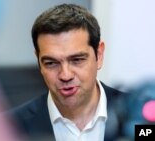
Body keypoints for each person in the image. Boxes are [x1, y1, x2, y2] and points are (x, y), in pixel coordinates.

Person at [7, 3, 129, 141]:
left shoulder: (140, 118)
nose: (65, 75)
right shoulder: (8, 129)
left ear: (99, 55)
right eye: (51, 63)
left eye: (77, 60)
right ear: (39, 61)